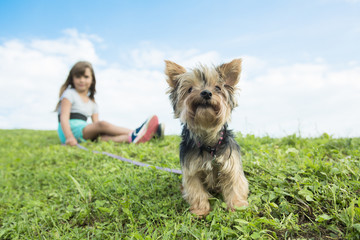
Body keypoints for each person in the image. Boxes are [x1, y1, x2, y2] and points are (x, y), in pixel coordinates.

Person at [55, 61, 164, 146]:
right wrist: (69, 137)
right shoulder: (69, 94)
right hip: (70, 130)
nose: (82, 80)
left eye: (86, 77)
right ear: (72, 79)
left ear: (92, 80)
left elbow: (96, 128)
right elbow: (64, 118)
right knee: (103, 124)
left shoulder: (92, 103)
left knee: (104, 138)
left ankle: (143, 136)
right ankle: (137, 132)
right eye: (78, 77)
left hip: (84, 130)